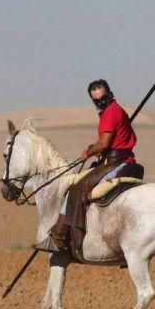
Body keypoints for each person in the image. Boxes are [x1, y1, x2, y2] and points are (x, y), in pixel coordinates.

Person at [46, 79, 141, 254]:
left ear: (110, 94)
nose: (101, 102)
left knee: (76, 189)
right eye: (97, 100)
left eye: (103, 98)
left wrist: (89, 151)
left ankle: (60, 236)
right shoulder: (116, 110)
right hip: (117, 159)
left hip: (116, 162)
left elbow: (104, 144)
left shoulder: (110, 112)